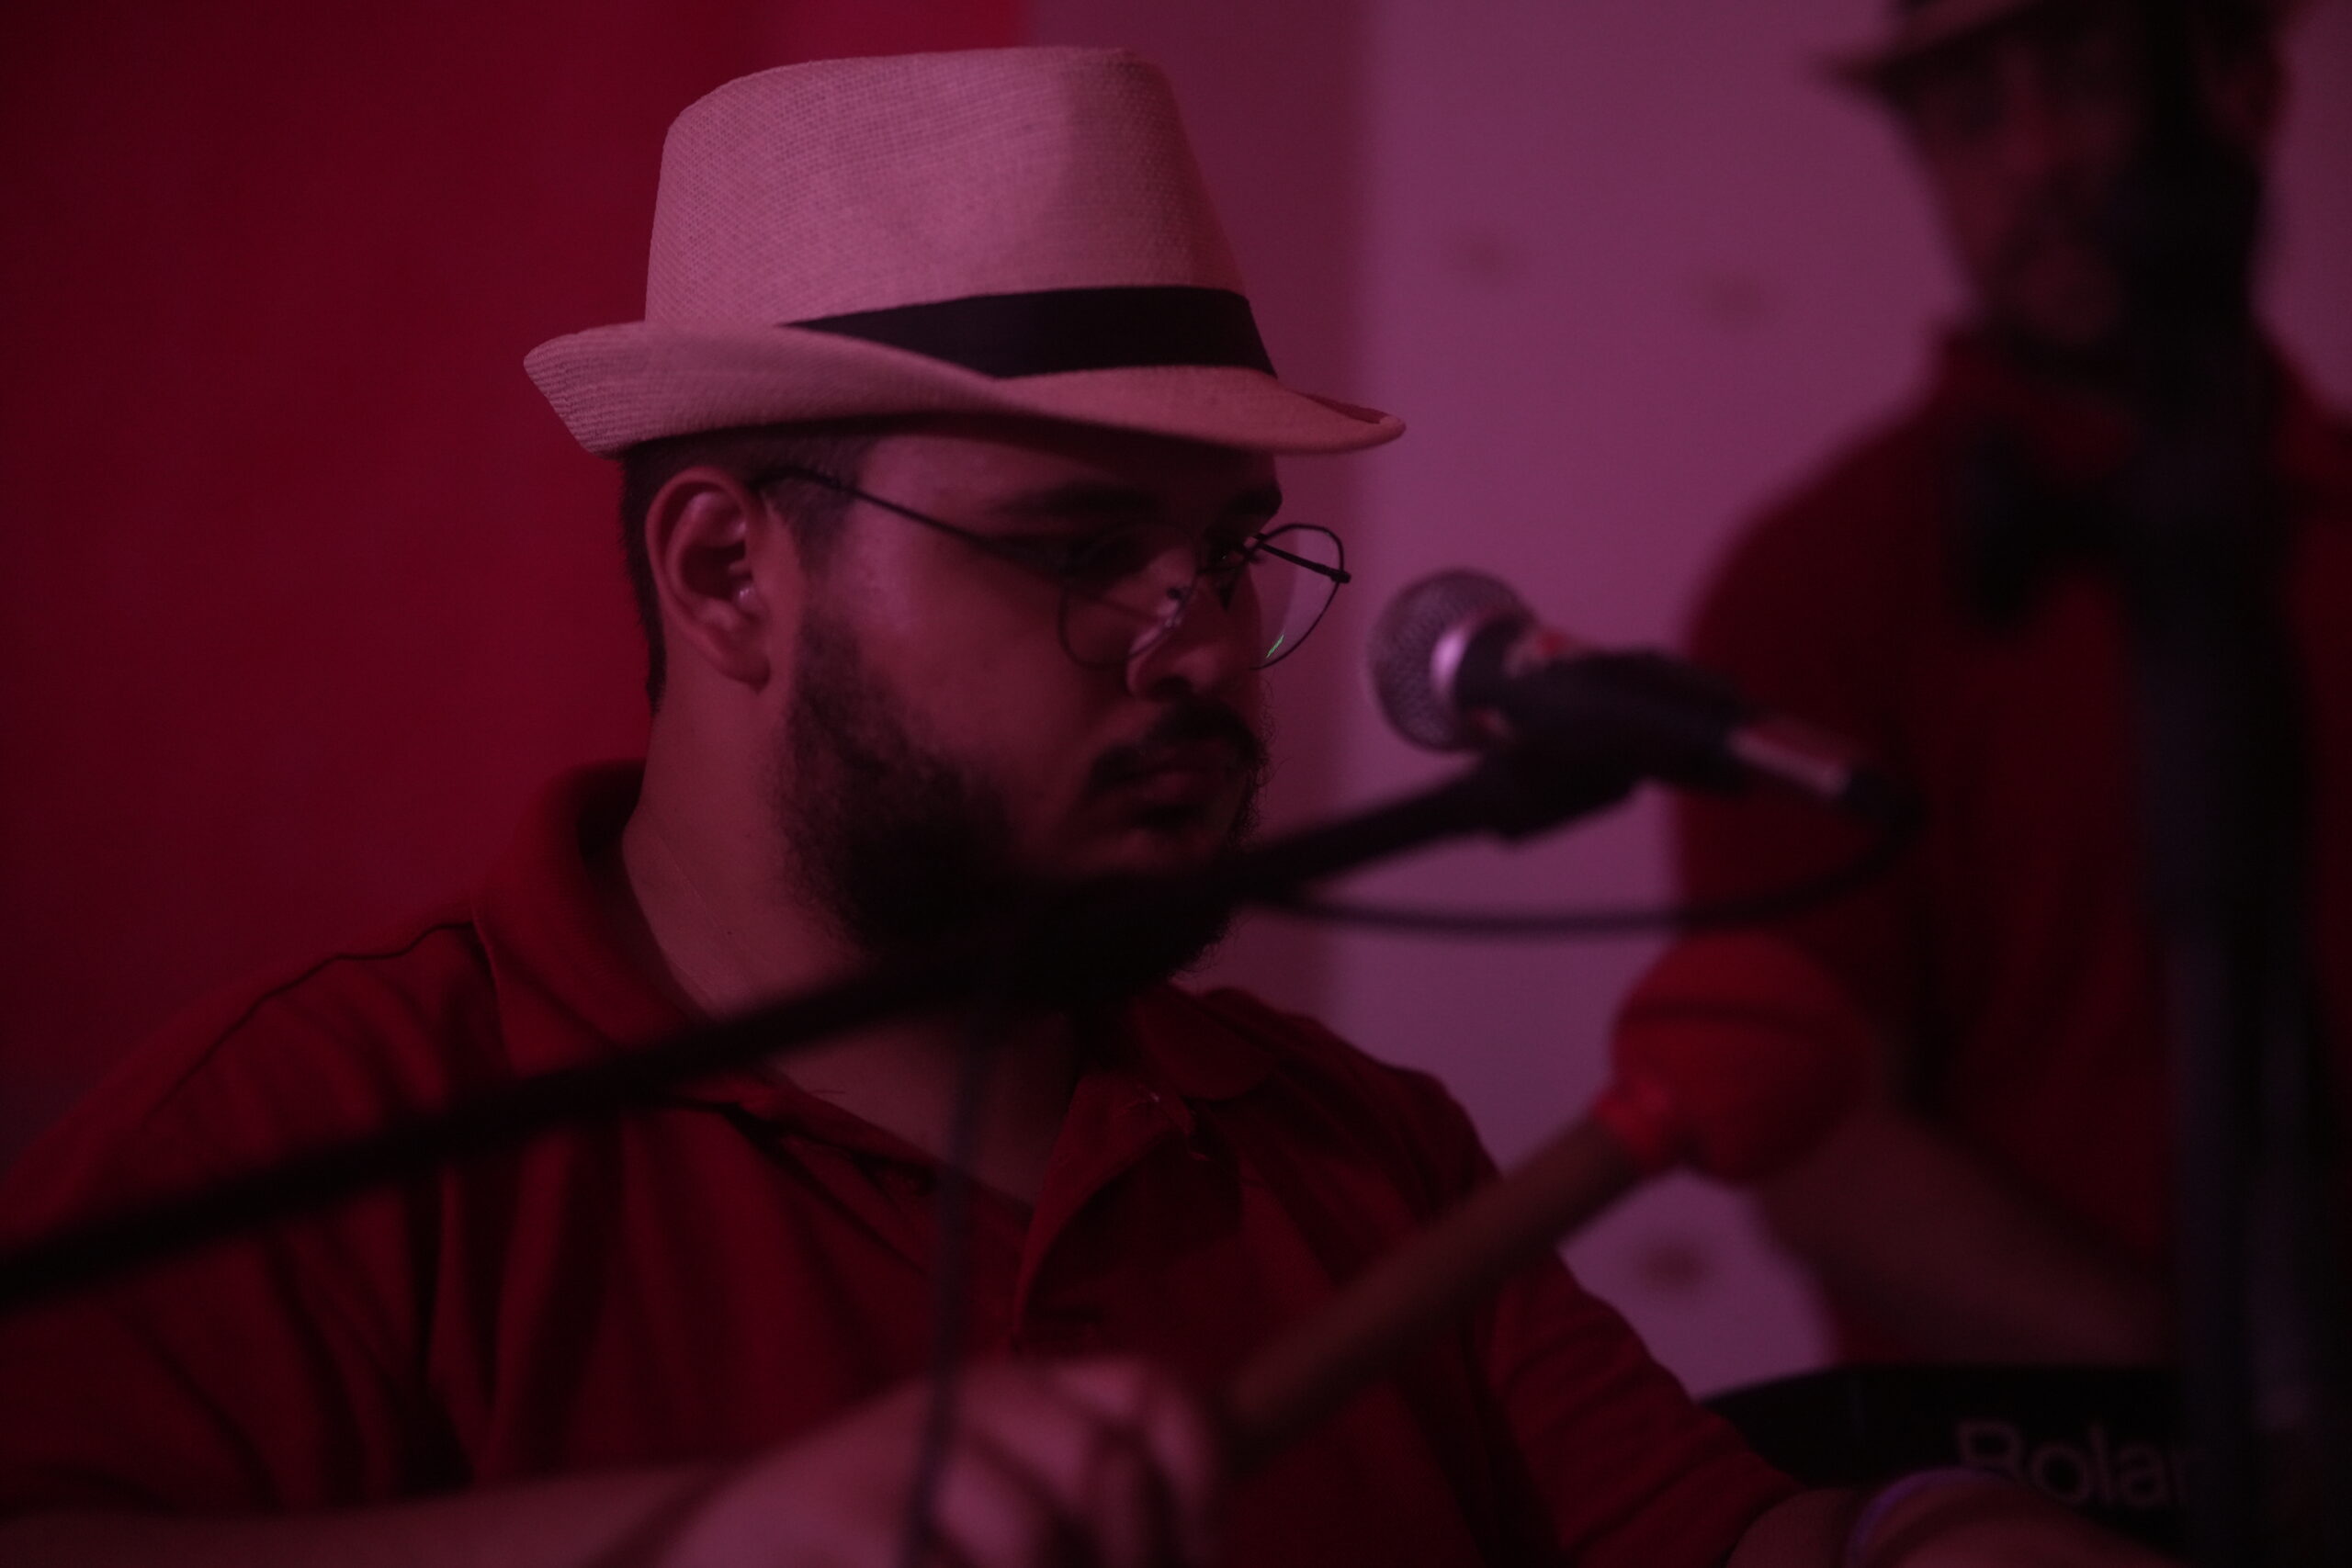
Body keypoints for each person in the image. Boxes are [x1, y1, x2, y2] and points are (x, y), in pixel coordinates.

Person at [0, 46, 2165, 1568]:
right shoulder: (321, 1124)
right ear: (727, 570)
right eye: (1073, 549)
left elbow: (1719, 1537)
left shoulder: (1352, 1151)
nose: (1199, 640)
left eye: (1225, 550)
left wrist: (1929, 1530)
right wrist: (678, 1538)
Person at [1677, 0, 2352, 1364]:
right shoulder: (1827, 578)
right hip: (2032, 1464)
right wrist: (2217, 1401)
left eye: (2092, 73)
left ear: (2247, 89)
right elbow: (1812, 1138)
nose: (2036, 158)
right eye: (1971, 112)